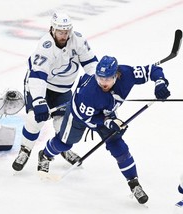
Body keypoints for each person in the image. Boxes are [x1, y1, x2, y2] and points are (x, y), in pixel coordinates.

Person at [37, 55, 171, 204]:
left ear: (117, 75)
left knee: (119, 147)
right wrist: (109, 122)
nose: (102, 82)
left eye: (107, 79)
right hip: (78, 116)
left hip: (106, 112)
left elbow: (153, 69)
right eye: (100, 78)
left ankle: (133, 183)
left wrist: (160, 83)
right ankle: (45, 155)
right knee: (65, 143)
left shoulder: (127, 74)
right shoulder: (90, 93)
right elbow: (88, 119)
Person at [12, 11, 98, 171]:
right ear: (52, 29)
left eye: (66, 31)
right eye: (60, 31)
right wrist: (38, 101)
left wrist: (97, 84)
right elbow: (37, 75)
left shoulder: (77, 40)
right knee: (34, 120)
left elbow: (91, 63)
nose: (64, 35)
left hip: (63, 90)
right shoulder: (45, 46)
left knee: (65, 126)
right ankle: (25, 150)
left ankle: (63, 149)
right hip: (41, 86)